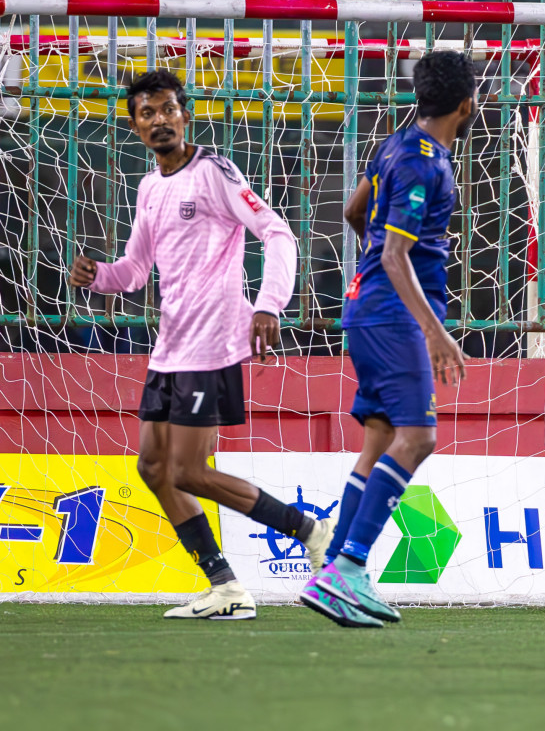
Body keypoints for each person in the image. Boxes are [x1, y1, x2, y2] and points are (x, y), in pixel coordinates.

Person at [68, 68, 329, 620]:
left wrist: (268, 305)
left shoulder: (214, 172)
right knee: (153, 469)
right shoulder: (149, 186)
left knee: (187, 470)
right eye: (147, 113)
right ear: (134, 126)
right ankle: (226, 588)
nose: (159, 120)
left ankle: (309, 530)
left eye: (168, 109)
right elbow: (135, 272)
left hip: (211, 343)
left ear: (185, 115)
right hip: (172, 345)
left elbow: (278, 233)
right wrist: (97, 277)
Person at [300, 50, 474, 629]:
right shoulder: (426, 164)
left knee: (378, 440)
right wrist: (436, 332)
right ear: (466, 104)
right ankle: (349, 566)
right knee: (418, 438)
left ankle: (335, 575)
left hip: (366, 309)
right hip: (394, 317)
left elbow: (355, 211)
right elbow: (397, 252)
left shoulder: (395, 144)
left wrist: (373, 259)